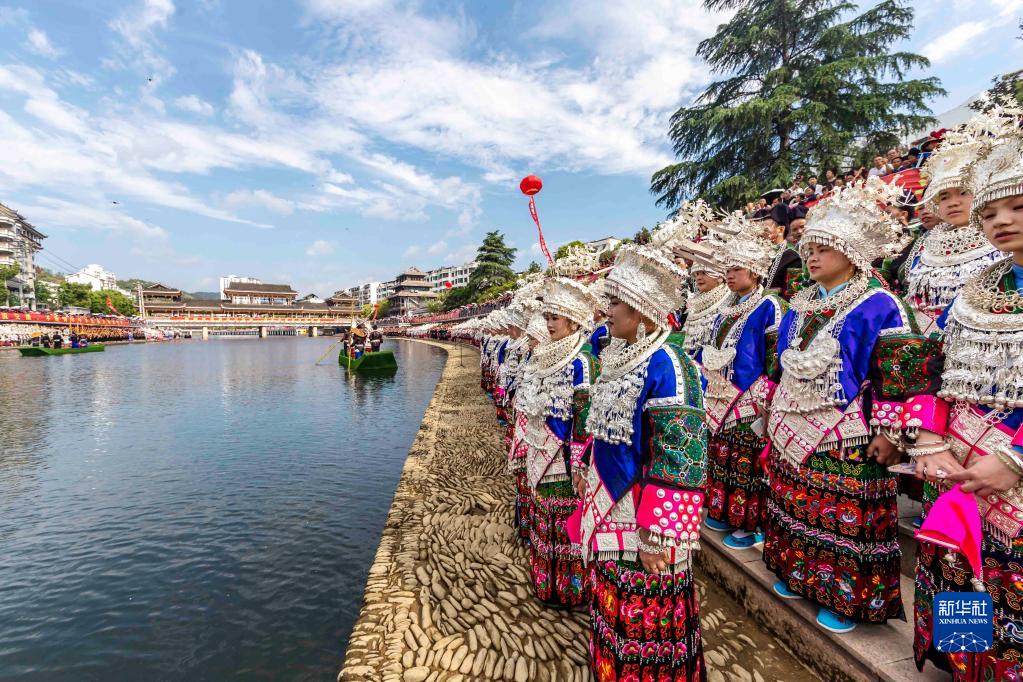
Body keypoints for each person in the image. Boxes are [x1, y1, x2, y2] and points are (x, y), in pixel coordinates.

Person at [762, 178, 930, 634]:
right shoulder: (799, 303)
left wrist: (893, 434)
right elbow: (784, 365)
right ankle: (798, 575)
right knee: (796, 507)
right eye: (809, 248)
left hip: (849, 434)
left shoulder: (880, 304)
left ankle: (845, 597)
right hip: (793, 426)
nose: (811, 257)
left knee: (843, 521)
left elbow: (901, 376)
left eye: (824, 248)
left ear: (852, 253)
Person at [909, 125, 1023, 680]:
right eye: (990, 212)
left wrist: (1013, 459)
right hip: (957, 464)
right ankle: (966, 667)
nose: (1000, 221)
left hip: (1010, 473)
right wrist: (929, 440)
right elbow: (932, 368)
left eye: (1017, 207)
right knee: (960, 573)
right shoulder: (975, 290)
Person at [578, 243, 708, 680]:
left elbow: (682, 453)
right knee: (613, 592)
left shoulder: (669, 363)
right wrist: (585, 467)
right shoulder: (617, 357)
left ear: (644, 309)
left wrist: (659, 531)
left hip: (645, 512)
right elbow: (600, 424)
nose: (606, 311)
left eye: (615, 303)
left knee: (647, 602)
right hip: (613, 498)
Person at [698, 214, 786, 549]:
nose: (730, 275)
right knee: (722, 458)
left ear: (756, 270)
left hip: (752, 397)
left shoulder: (770, 306)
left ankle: (752, 524)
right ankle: (723, 512)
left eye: (737, 268)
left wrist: (767, 398)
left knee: (747, 464)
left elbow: (774, 358)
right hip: (721, 395)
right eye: (728, 269)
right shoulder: (724, 307)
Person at [515, 276, 599, 608]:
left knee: (566, 525)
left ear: (575, 321)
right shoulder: (544, 357)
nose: (549, 324)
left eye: (555, 318)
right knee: (545, 519)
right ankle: (546, 583)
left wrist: (578, 465)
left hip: (565, 461)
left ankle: (571, 590)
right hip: (540, 450)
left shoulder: (583, 361)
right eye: (547, 317)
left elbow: (585, 418)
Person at [904, 112, 1005, 335]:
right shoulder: (926, 245)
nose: (953, 203)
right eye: (944, 197)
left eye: (962, 192)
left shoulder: (1003, 236)